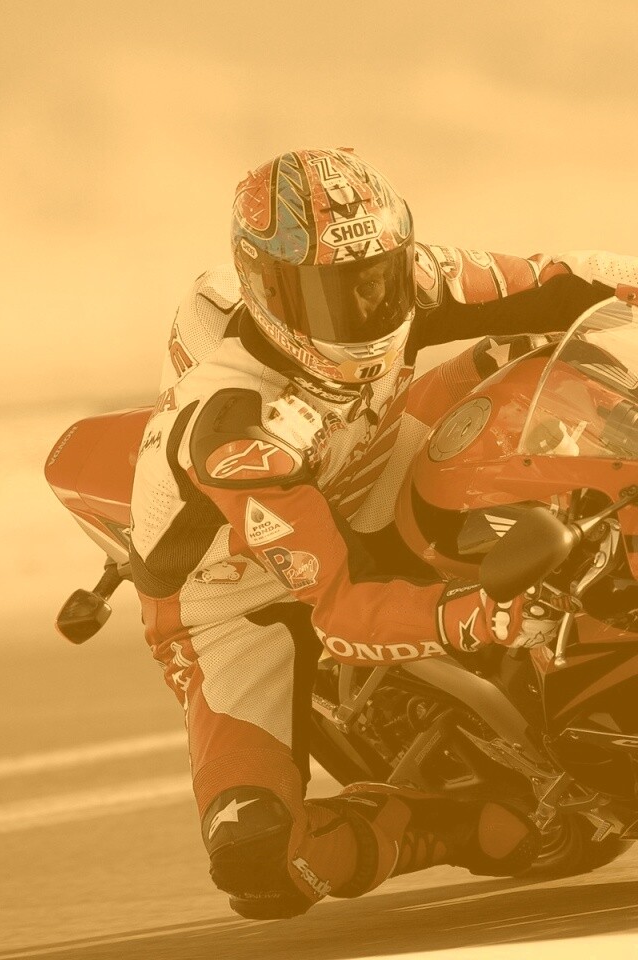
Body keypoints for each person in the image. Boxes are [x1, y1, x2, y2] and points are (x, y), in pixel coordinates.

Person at [129, 147, 634, 919]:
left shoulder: (409, 277)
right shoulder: (234, 427)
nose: (366, 306)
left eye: (377, 278)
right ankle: (460, 822)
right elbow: (338, 606)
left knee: (535, 362)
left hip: (373, 464)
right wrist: (476, 615)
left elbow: (567, 279)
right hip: (241, 596)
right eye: (330, 294)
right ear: (267, 289)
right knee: (263, 864)